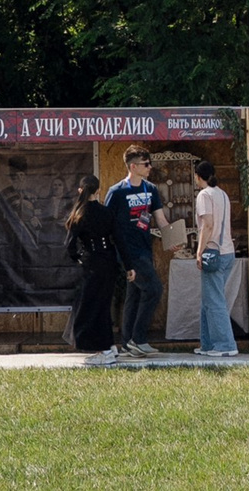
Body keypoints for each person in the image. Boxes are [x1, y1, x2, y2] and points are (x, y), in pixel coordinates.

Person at [105, 146, 170, 358]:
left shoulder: (150, 189)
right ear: (133, 166)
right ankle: (138, 339)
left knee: (135, 294)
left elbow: (160, 219)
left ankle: (127, 343)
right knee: (154, 290)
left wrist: (172, 238)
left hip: (145, 249)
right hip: (127, 252)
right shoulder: (117, 192)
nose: (150, 167)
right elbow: (107, 224)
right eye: (146, 164)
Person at [64, 172, 124, 362]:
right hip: (109, 261)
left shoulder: (79, 214)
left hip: (92, 264)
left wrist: (79, 259)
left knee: (90, 307)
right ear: (98, 191)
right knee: (104, 304)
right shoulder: (106, 212)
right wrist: (128, 265)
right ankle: (110, 346)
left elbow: (70, 245)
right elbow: (119, 240)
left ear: (80, 190)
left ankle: (103, 350)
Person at [191, 157, 238, 358]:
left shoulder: (204, 195)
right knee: (209, 300)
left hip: (213, 252)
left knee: (215, 301)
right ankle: (208, 344)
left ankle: (225, 344)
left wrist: (199, 251)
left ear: (197, 176)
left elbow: (208, 224)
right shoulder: (223, 194)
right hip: (228, 251)